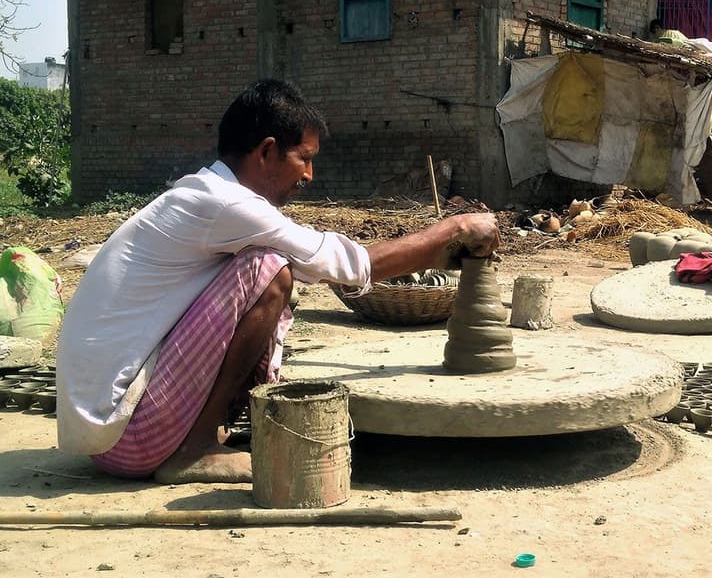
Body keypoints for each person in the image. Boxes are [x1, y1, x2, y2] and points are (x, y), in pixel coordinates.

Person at [55, 79, 500, 484]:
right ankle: (192, 450)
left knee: (271, 263)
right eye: (304, 159)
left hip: (106, 437)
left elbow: (330, 263)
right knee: (268, 270)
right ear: (266, 151)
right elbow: (346, 264)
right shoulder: (225, 204)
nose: (309, 175)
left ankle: (198, 432)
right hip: (129, 436)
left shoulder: (203, 195)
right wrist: (453, 230)